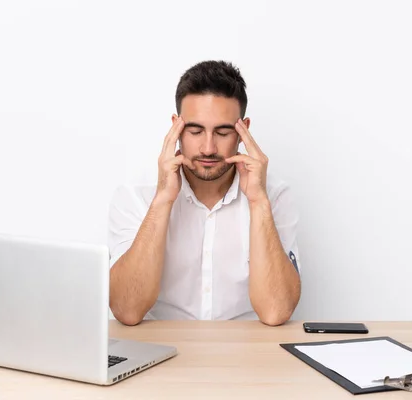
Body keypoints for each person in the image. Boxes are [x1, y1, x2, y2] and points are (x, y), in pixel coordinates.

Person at [108, 60, 301, 326]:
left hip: (246, 354)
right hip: (161, 351)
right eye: (195, 130)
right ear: (176, 128)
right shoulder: (136, 195)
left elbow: (276, 312)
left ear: (243, 131)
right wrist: (163, 199)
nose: (208, 147)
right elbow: (126, 310)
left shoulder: (274, 196)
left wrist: (258, 202)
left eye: (222, 132)